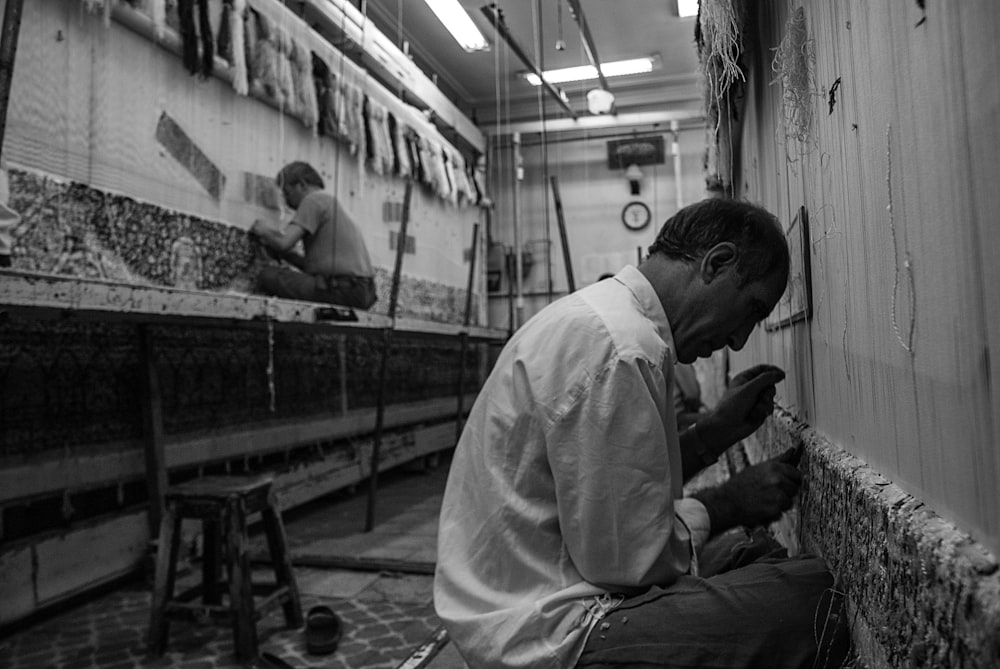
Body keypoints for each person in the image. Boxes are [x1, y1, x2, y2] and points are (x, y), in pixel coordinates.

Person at [434, 198, 849, 669]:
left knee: (751, 552)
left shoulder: (610, 322)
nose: (739, 340)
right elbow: (630, 564)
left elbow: (624, 490)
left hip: (534, 594)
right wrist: (728, 501)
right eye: (752, 310)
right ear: (718, 262)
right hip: (552, 633)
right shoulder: (622, 348)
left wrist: (712, 433)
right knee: (812, 603)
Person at [250, 161, 376, 309]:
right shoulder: (331, 202)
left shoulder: (313, 200)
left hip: (344, 290)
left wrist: (263, 229)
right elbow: (313, 267)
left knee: (267, 275)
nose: (286, 201)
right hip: (363, 292)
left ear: (301, 185)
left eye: (287, 193)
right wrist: (287, 255)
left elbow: (283, 242)